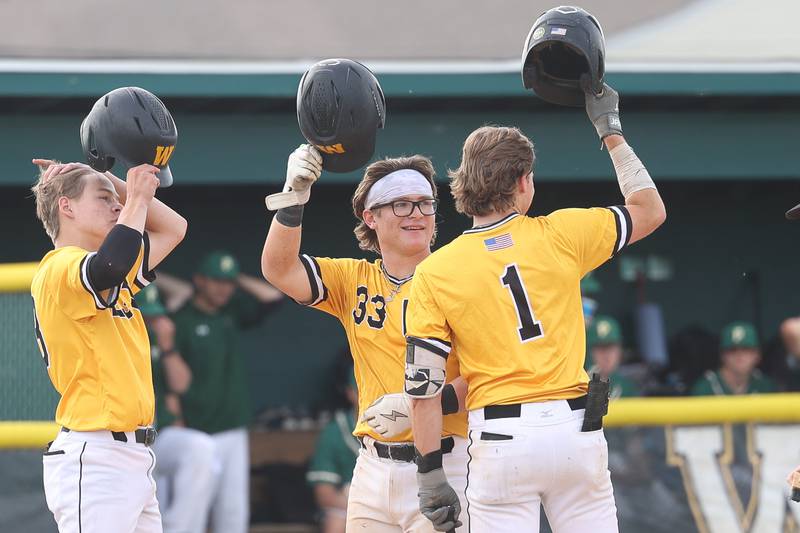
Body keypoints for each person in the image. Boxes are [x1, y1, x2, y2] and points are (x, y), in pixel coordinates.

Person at [404, 82, 666, 532]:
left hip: (502, 438)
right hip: (574, 430)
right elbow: (650, 209)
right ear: (523, 182)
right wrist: (610, 130)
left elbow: (423, 390)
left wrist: (429, 473)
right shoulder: (562, 233)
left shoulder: (435, 269)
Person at [261, 145, 469, 532]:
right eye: (401, 205)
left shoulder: (459, 278)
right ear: (370, 217)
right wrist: (293, 197)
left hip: (446, 462)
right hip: (372, 467)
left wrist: (421, 405)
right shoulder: (354, 278)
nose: (417, 214)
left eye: (425, 203)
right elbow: (278, 268)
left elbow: (491, 374)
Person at [30, 158, 187, 533]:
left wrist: (106, 177)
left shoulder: (104, 269)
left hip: (132, 455)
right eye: (103, 198)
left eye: (115, 199)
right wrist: (135, 198)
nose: (116, 204)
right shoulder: (59, 266)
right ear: (65, 207)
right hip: (95, 455)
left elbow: (174, 229)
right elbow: (109, 266)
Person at [169, 250, 283, 533]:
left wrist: (237, 277)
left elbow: (274, 298)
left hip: (232, 427)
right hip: (194, 430)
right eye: (217, 280)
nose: (224, 288)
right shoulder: (181, 319)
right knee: (189, 514)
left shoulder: (231, 313)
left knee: (232, 513)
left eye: (228, 282)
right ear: (199, 280)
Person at [138, 284, 217, 533]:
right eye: (147, 316)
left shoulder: (161, 341)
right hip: (126, 437)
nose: (153, 322)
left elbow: (181, 384)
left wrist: (168, 347)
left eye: (156, 316)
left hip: (159, 433)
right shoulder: (117, 336)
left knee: (202, 450)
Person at [307, 371, 360, 533]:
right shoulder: (335, 430)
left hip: (394, 504)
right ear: (350, 393)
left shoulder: (401, 428)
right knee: (337, 520)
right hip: (348, 505)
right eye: (363, 389)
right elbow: (324, 494)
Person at [690, 321, 776, 396]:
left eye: (746, 349)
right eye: (732, 350)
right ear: (722, 355)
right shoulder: (705, 387)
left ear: (757, 355)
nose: (739, 355)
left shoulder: (765, 386)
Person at [587, 315, 640, 399]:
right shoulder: (580, 387)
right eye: (601, 349)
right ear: (590, 352)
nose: (606, 356)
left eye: (611, 349)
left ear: (620, 350)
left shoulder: (628, 389)